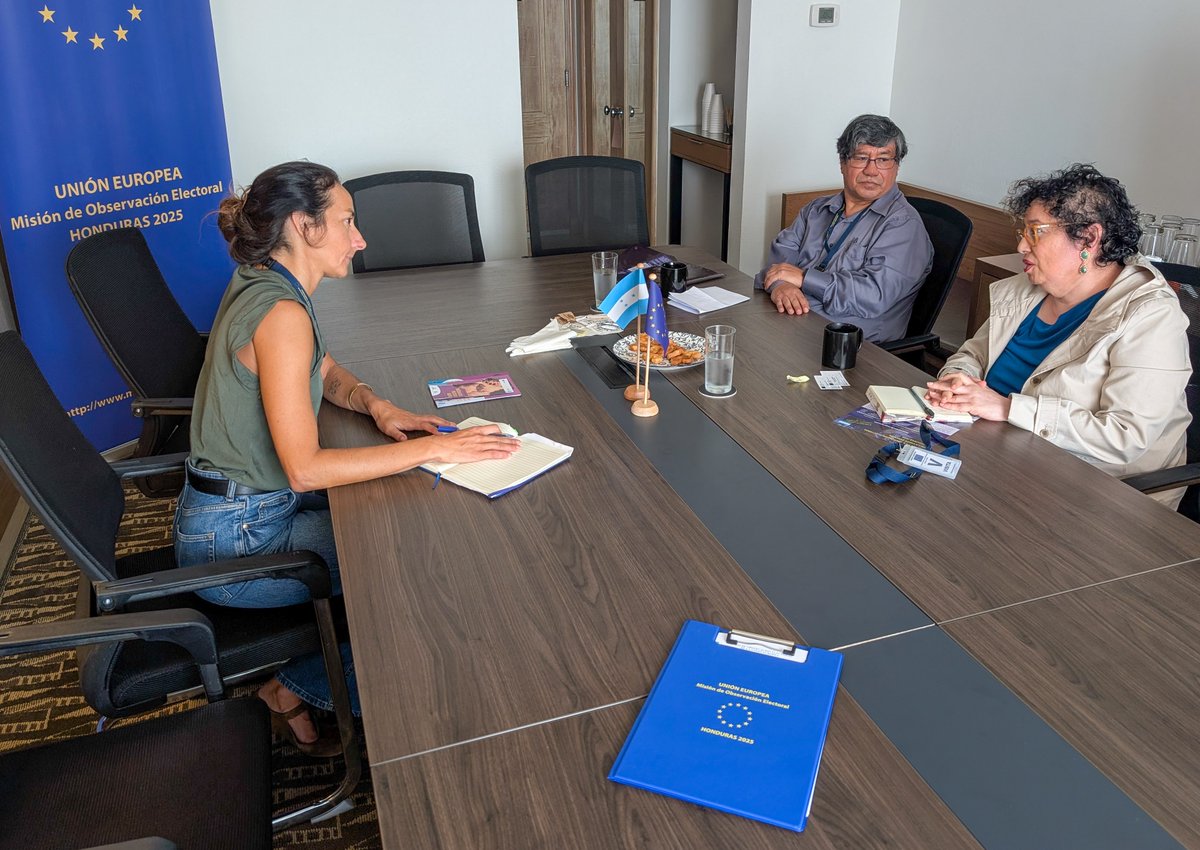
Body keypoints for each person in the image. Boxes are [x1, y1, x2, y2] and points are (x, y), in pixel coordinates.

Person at [175, 161, 520, 755]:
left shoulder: (269, 279)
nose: (359, 239)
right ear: (303, 225)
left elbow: (325, 368)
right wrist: (437, 447)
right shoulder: (281, 314)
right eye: (346, 222)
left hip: (241, 511)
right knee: (419, 567)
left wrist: (376, 405)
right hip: (238, 544)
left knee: (407, 523)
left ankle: (312, 682)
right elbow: (305, 468)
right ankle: (302, 690)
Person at [926, 163, 1190, 508]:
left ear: (1089, 238)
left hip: (1096, 495)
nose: (1021, 245)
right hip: (998, 458)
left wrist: (1007, 408)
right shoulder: (1027, 288)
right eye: (1023, 231)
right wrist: (958, 379)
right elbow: (974, 354)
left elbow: (1125, 436)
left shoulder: (1150, 315)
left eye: (1035, 232)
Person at [754, 114, 933, 343]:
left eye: (883, 159)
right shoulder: (816, 210)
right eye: (861, 158)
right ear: (842, 163)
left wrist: (804, 278)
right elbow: (778, 263)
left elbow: (873, 296)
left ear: (896, 166)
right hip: (790, 324)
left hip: (848, 345)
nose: (871, 170)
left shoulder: (904, 225)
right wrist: (781, 285)